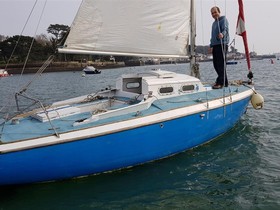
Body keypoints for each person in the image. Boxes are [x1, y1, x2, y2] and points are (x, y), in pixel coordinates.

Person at [210, 6, 229, 89]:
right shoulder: (214, 23)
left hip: (222, 44)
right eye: (212, 13)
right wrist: (211, 45)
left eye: (215, 12)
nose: (214, 14)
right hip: (215, 45)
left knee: (221, 65)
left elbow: (225, 30)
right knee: (216, 65)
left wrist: (222, 34)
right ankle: (225, 81)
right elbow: (212, 35)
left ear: (219, 12)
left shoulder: (223, 20)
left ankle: (220, 82)